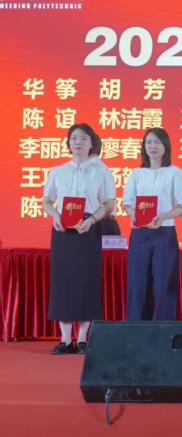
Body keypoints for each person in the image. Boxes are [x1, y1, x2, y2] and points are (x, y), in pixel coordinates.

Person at [41, 124, 115, 355]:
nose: (78, 142)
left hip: (87, 227)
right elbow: (46, 201)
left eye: (83, 138)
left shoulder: (101, 171)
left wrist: (92, 220)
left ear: (92, 143)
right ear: (68, 143)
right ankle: (65, 339)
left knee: (86, 281)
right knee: (63, 281)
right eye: (74, 138)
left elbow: (109, 204)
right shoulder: (58, 171)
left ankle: (82, 338)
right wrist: (55, 216)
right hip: (62, 229)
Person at [123, 127, 182, 321]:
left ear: (165, 146)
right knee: (137, 284)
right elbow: (127, 203)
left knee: (164, 284)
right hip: (139, 233)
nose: (153, 146)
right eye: (149, 142)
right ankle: (136, 328)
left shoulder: (174, 172)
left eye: (157, 142)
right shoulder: (136, 173)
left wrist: (164, 215)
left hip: (164, 232)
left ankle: (162, 328)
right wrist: (133, 214)